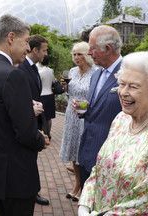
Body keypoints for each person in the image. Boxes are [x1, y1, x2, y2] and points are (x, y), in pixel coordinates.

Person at [78, 51, 148, 215]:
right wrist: (84, 205)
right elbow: (98, 169)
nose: (123, 92)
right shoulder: (121, 119)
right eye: (122, 84)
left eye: (133, 86)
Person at [0, 14, 50, 215]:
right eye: (25, 42)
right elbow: (25, 132)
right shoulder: (12, 74)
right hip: (16, 176)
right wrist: (40, 139)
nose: (27, 48)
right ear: (11, 38)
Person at [75, 25, 123, 189]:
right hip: (87, 153)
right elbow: (98, 109)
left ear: (107, 49)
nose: (89, 53)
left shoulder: (129, 73)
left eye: (92, 48)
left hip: (111, 159)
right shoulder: (96, 73)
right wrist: (84, 109)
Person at [59, 42, 97, 202]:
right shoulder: (73, 72)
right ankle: (77, 184)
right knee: (74, 152)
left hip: (86, 117)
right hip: (71, 116)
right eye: (74, 54)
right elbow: (70, 93)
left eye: (79, 54)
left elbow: (94, 97)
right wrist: (64, 87)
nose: (76, 58)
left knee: (83, 152)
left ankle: (84, 186)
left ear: (87, 55)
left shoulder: (95, 73)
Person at [18, 34, 50, 206]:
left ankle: (31, 191)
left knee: (32, 159)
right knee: (27, 160)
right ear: (35, 49)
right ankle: (30, 192)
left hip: (35, 119)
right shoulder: (21, 67)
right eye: (44, 50)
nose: (45, 53)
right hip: (27, 120)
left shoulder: (33, 67)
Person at [38, 55, 56, 139]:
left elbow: (39, 84)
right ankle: (49, 134)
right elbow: (53, 81)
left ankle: (45, 135)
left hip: (42, 95)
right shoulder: (51, 71)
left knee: (43, 117)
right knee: (49, 117)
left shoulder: (40, 72)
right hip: (50, 95)